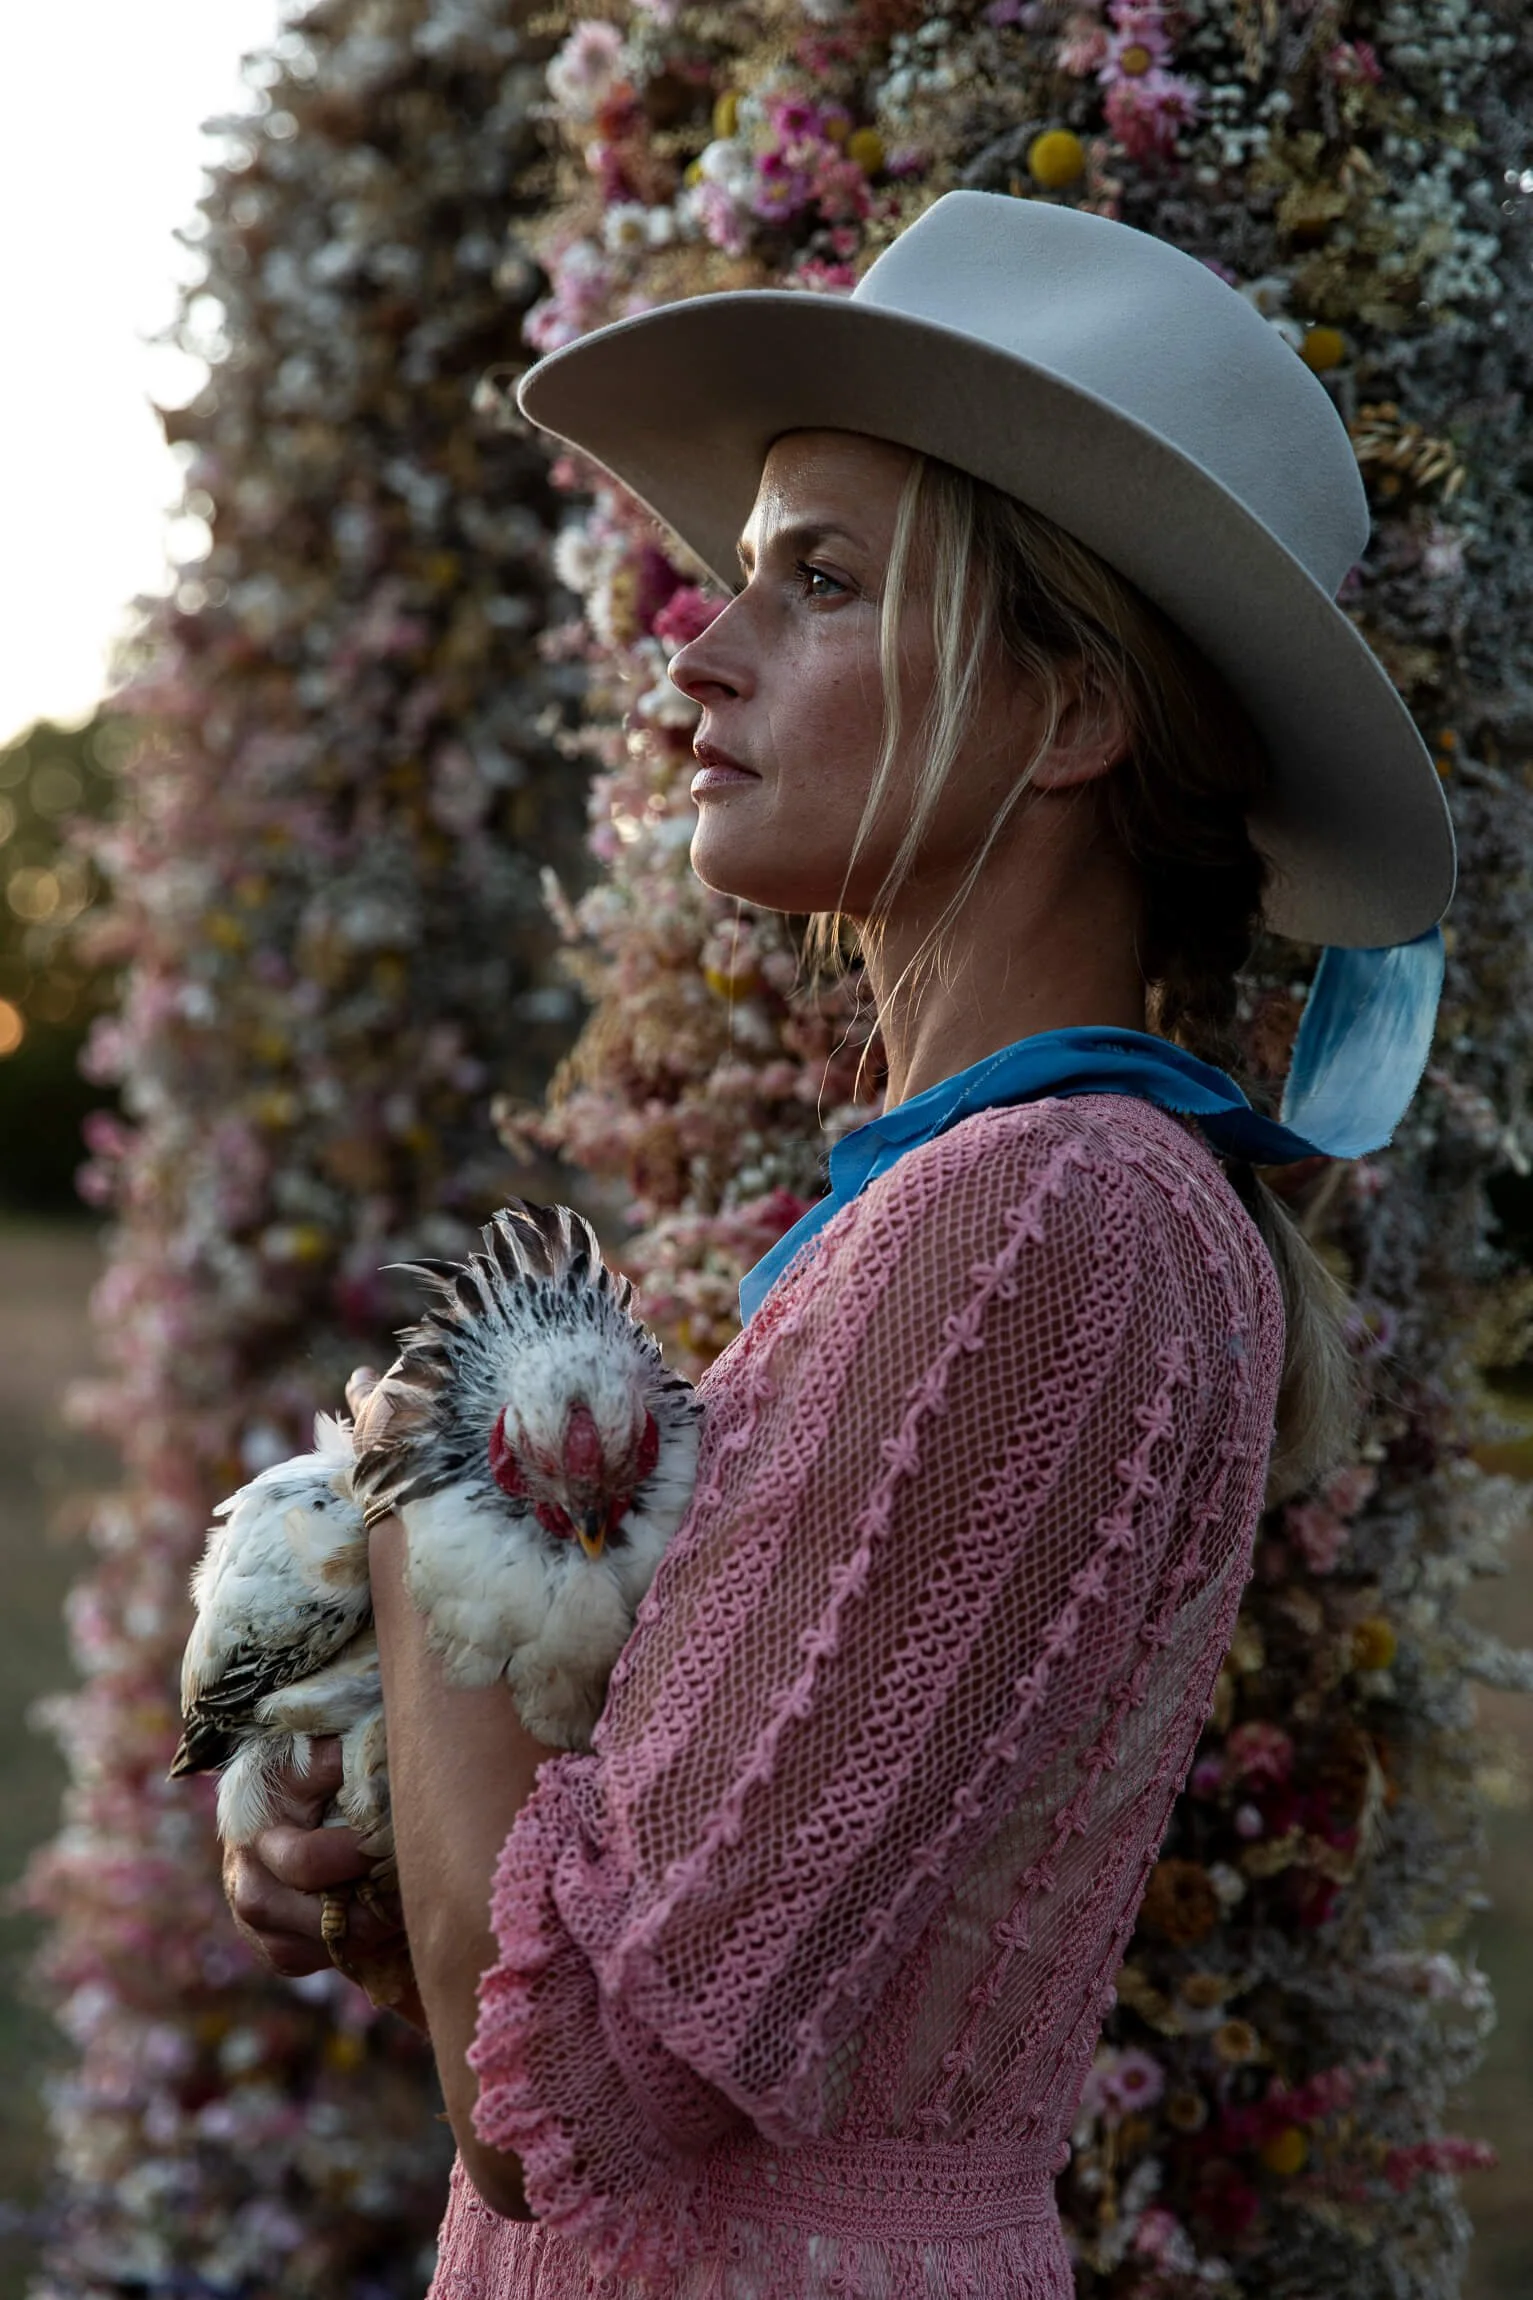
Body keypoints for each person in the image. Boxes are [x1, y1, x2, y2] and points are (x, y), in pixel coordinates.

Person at [224, 192, 1454, 2297]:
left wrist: (436, 1483)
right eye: (738, 574)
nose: (694, 650)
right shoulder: (1005, 1199)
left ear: (1067, 719)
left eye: (817, 581)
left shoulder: (1040, 1218)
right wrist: (384, 1836)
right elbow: (693, 1937)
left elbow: (571, 2097)